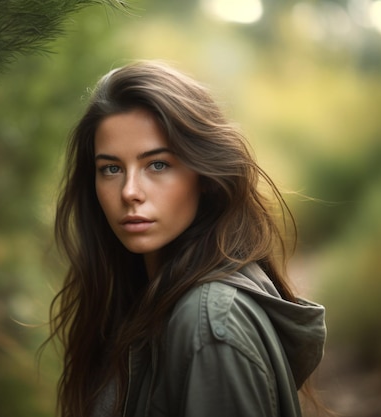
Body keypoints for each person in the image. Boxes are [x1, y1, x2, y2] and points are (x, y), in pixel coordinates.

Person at [48, 60, 326, 417]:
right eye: (111, 169)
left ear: (205, 176)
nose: (130, 192)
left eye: (157, 164)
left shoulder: (209, 324)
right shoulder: (139, 303)